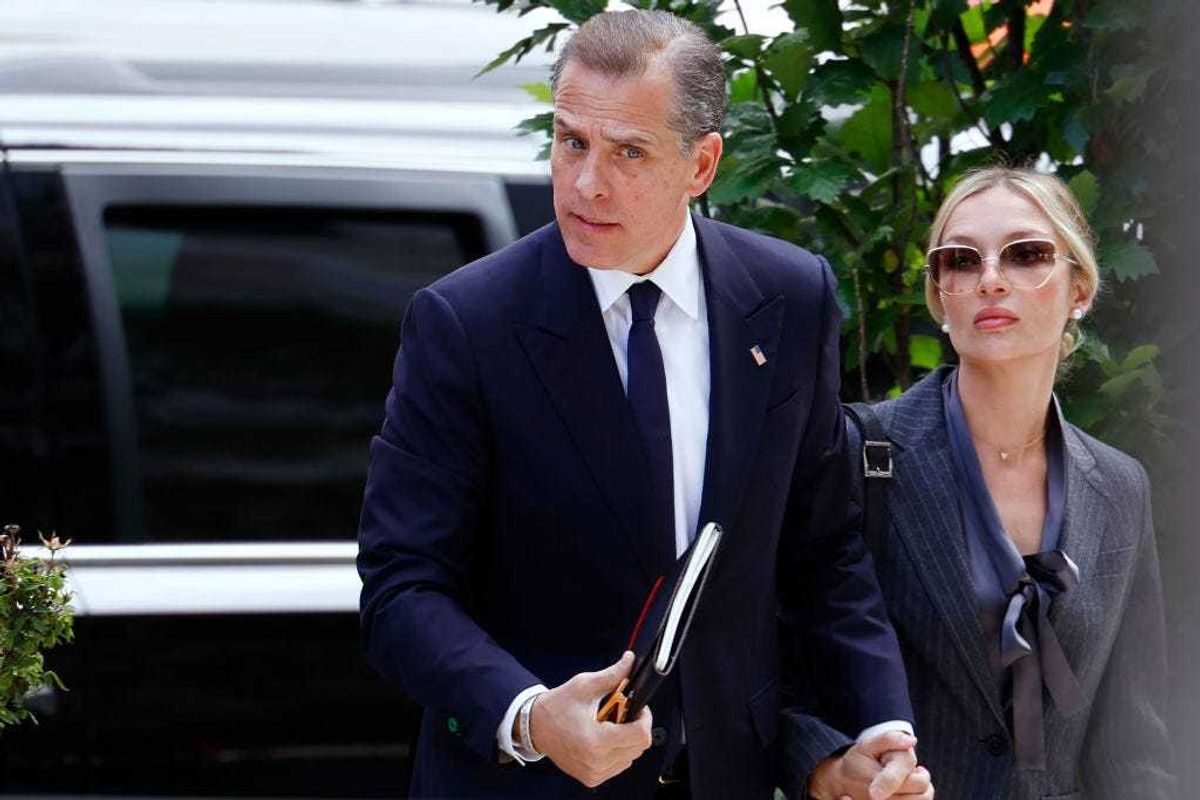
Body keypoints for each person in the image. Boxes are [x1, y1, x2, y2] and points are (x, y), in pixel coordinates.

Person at [358, 10, 932, 799]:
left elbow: (825, 548)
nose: (588, 182)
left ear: (702, 165)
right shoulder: (466, 323)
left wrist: (878, 728)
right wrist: (529, 717)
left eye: (629, 152)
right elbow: (402, 588)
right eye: (572, 142)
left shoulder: (790, 297)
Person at [834, 166, 1177, 798]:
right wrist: (828, 767)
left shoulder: (1123, 487)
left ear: (1079, 289)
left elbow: (1133, 741)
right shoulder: (859, 454)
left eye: (1026, 254)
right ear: (941, 295)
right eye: (961, 261)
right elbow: (781, 671)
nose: (990, 279)